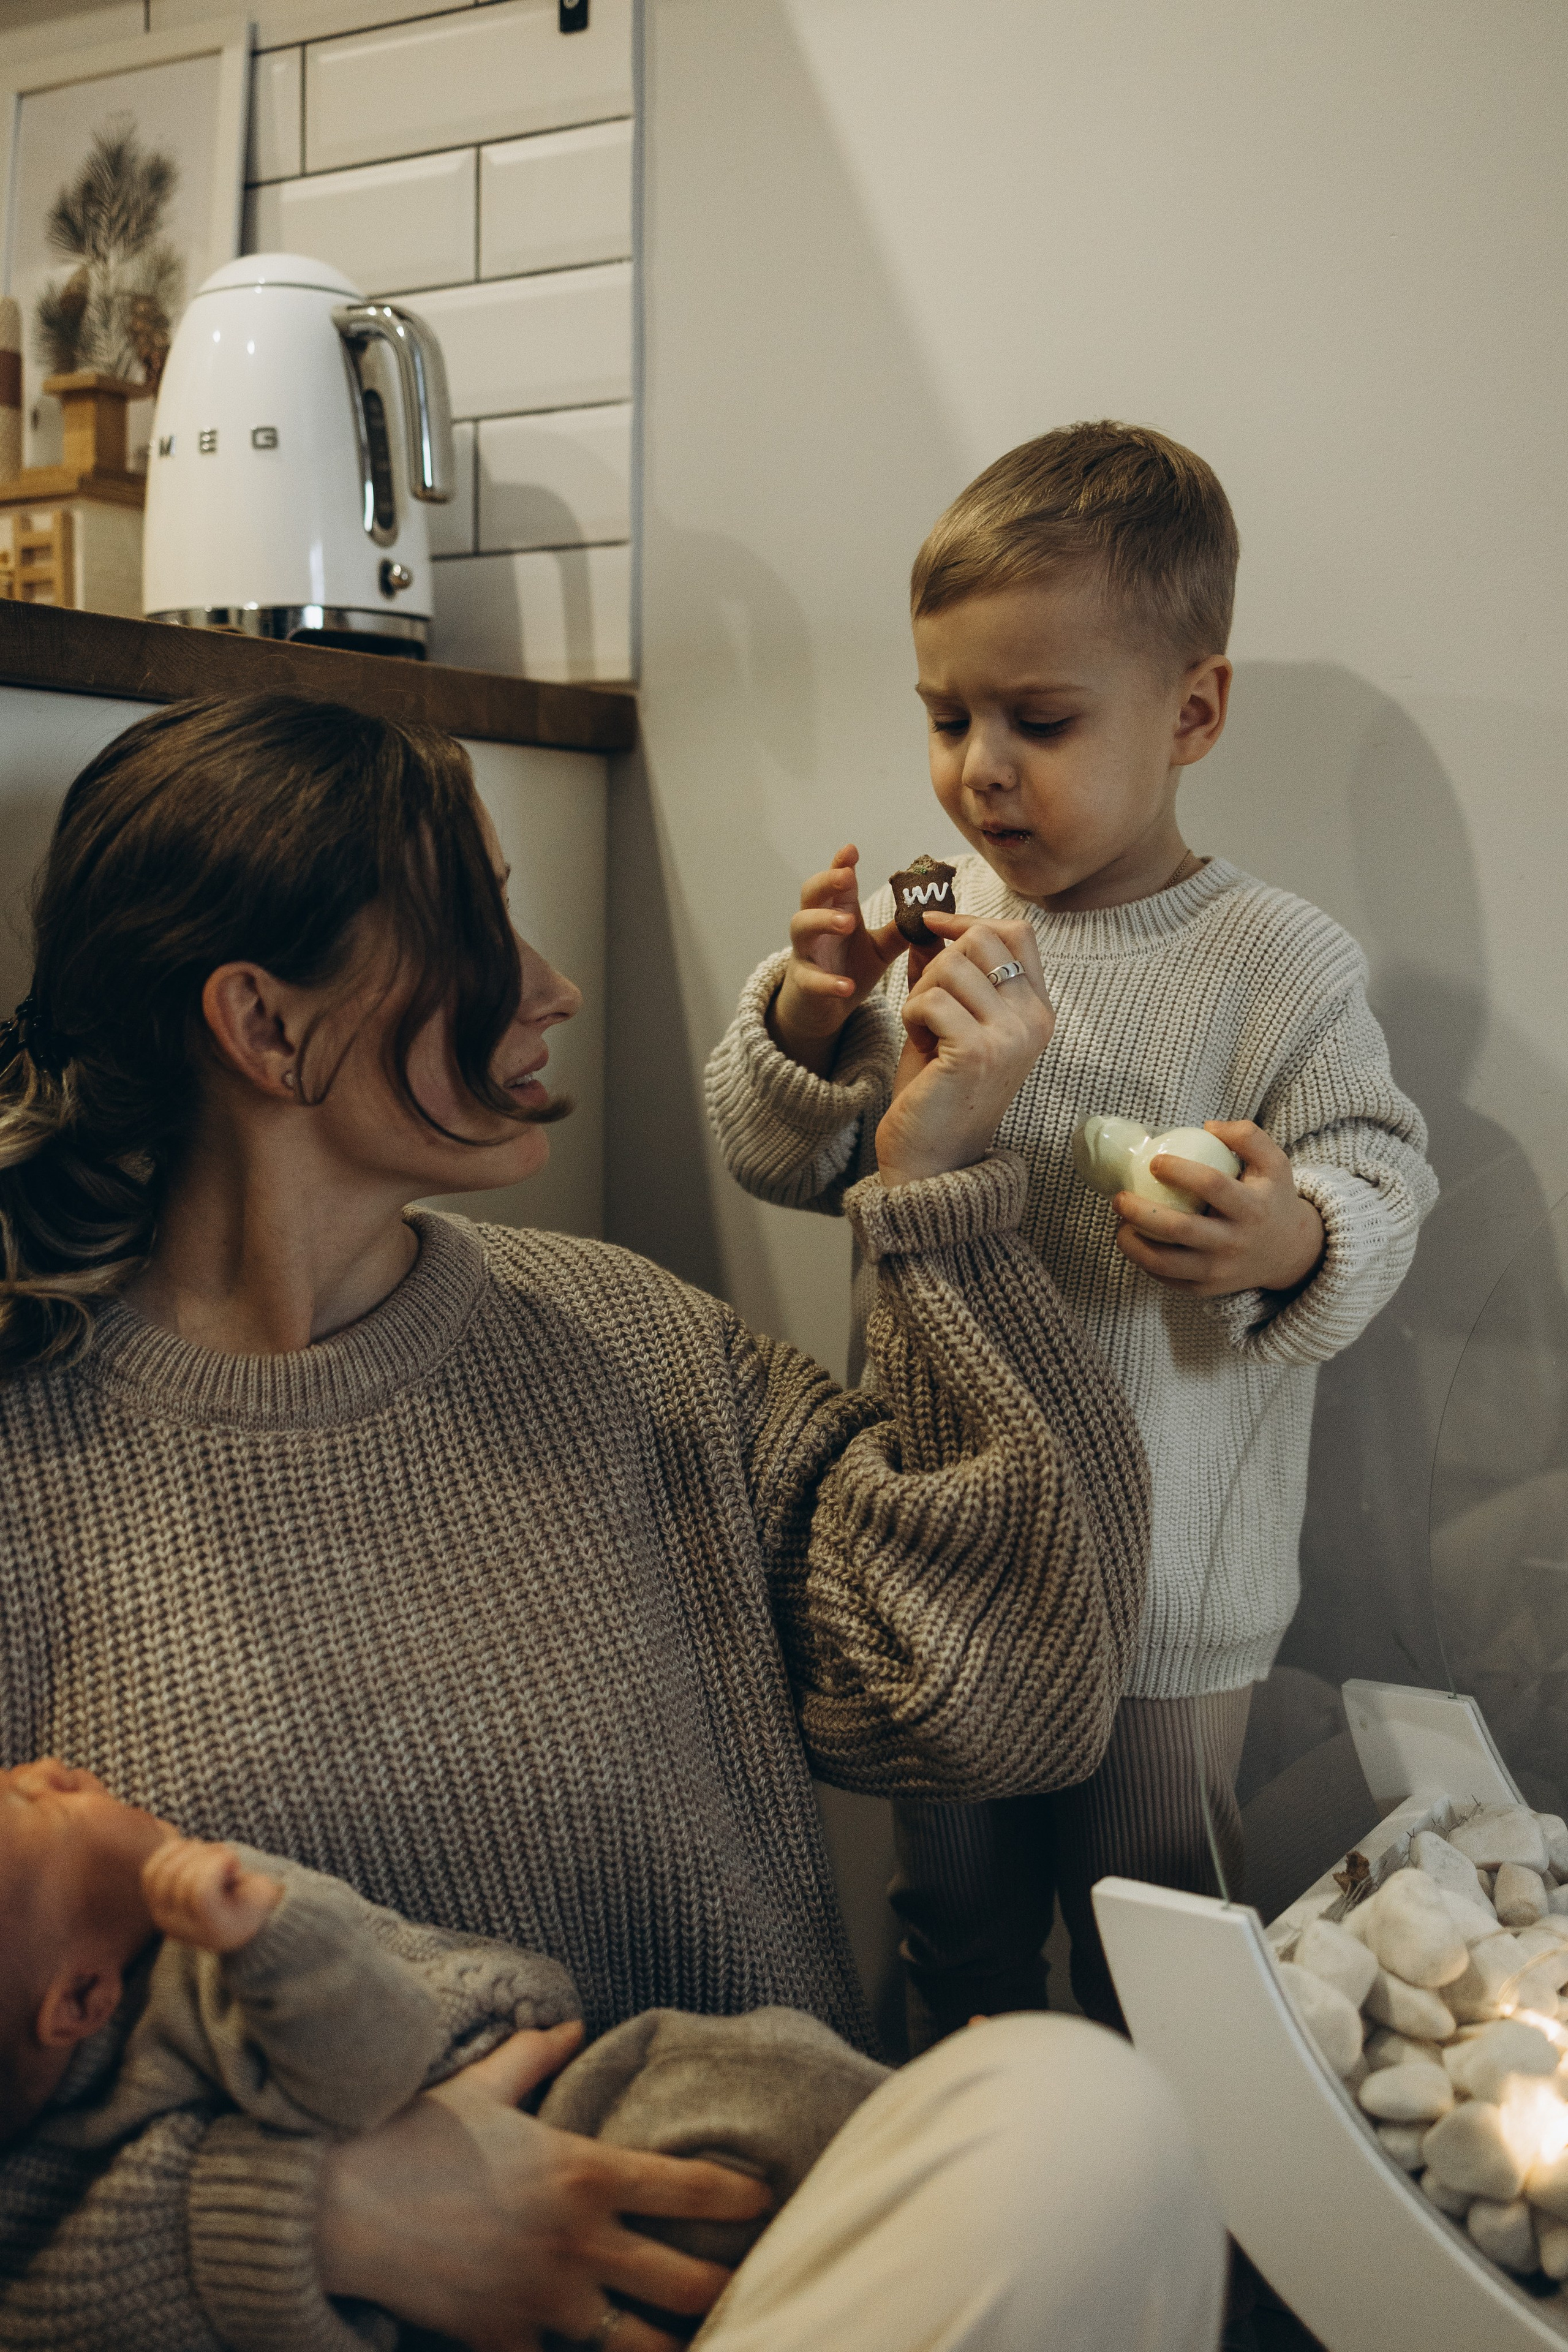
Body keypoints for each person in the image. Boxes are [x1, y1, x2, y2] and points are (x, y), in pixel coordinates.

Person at [0, 693, 1223, 2352]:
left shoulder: (624, 1341)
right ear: (266, 1028)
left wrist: (935, 1190)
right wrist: (316, 2217)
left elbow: (1003, 1697)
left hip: (761, 2284)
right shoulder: (30, 1467)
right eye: (477, 931)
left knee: (1085, 2124)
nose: (552, 986)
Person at [705, 420, 1439, 2045]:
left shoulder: (1274, 964)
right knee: (950, 1926)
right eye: (945, 716)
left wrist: (1291, 1241)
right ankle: (968, 2159)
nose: (979, 766)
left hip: (1167, 1597)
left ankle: (1161, 2185)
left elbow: (1383, 1179)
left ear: (1192, 712)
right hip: (947, 1561)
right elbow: (784, 1163)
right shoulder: (932, 941)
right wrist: (812, 1022)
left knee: (1158, 1953)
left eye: (1038, 722)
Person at [0, 1760, 883, 2309]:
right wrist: (270, 1936)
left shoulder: (68, 2133)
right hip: (568, 2118)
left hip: (528, 2193)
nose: (44, 1769)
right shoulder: (196, 1977)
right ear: (81, 1999)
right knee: (774, 2096)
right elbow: (373, 2071)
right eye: (39, 1804)